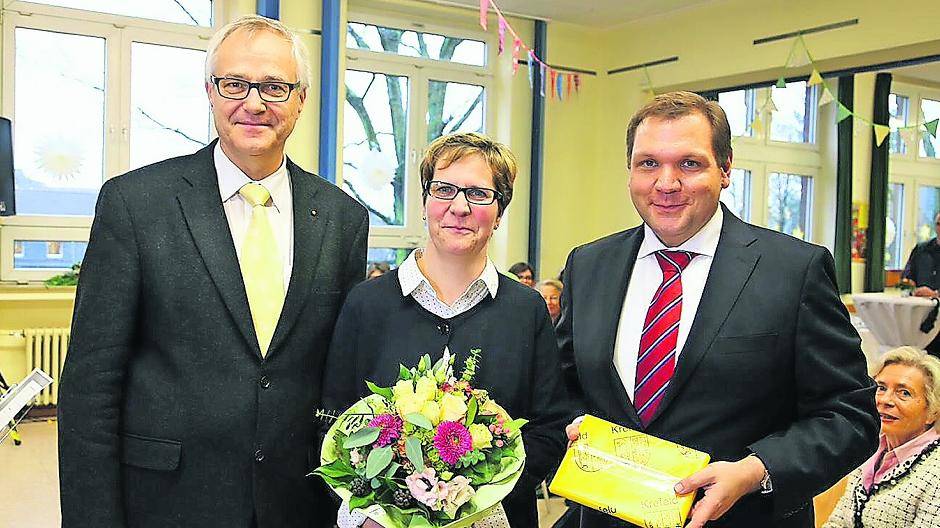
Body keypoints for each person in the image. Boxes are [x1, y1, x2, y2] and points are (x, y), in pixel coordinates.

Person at [57, 15, 368, 528]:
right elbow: (91, 384)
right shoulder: (136, 204)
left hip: (297, 500)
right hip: (166, 500)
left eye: (274, 86)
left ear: (301, 99)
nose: (254, 103)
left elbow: (339, 376)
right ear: (209, 91)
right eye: (235, 84)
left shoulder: (342, 218)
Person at [558, 91, 879, 528]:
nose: (666, 183)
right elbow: (564, 387)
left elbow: (850, 415)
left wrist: (756, 471)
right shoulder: (589, 265)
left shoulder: (793, 271)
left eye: (689, 164)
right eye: (648, 163)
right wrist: (572, 424)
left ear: (725, 169)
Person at [323, 132, 570, 527]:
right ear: (425, 203)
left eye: (479, 194)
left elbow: (549, 429)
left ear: (500, 212)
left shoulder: (527, 311)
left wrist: (477, 501)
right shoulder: (366, 304)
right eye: (444, 189)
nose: (459, 207)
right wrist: (371, 509)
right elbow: (333, 421)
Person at [823, 347, 940, 528]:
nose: (885, 400)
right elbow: (838, 522)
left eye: (904, 392)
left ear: (933, 411)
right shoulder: (870, 451)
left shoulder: (935, 471)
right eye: (881, 388)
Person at [902, 212, 940, 299]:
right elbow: (907, 275)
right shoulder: (920, 249)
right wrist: (911, 286)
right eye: (938, 224)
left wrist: (935, 293)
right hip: (919, 302)